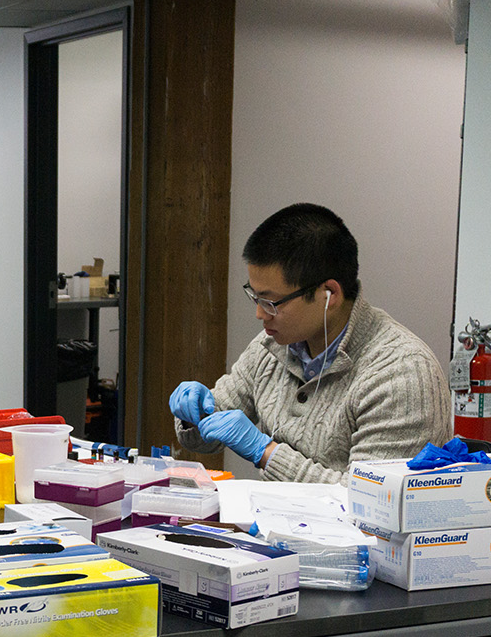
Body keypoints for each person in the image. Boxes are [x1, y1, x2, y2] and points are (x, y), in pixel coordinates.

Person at [171, 203, 451, 483]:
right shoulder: (273, 347)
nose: (259, 314)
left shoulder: (401, 374)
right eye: (255, 297)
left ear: (329, 294)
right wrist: (194, 415)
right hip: (272, 521)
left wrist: (266, 452)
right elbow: (205, 440)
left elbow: (372, 502)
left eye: (270, 302)